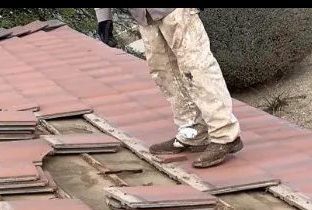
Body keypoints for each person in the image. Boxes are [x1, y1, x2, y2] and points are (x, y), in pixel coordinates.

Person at [94, 8, 243, 168]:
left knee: (197, 68)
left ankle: (224, 135)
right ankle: (192, 131)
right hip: (144, 17)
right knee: (165, 73)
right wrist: (104, 17)